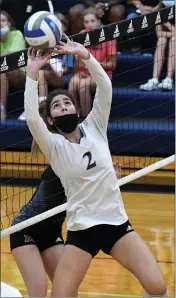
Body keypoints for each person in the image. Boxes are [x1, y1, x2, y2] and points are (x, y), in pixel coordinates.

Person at [24, 35, 167, 297]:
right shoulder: (55, 147)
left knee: (158, 287)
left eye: (67, 101)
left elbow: (105, 87)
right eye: (57, 105)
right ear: (52, 121)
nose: (64, 105)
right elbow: (32, 118)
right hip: (82, 231)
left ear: (76, 107)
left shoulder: (95, 127)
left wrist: (83, 55)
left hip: (116, 224)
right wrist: (32, 74)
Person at [10, 102, 121, 297]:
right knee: (39, 292)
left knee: (69, 293)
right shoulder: (62, 165)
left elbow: (92, 193)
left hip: (51, 233)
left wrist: (110, 180)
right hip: (25, 231)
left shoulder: (81, 164)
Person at [69, 8, 117, 117]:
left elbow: (113, 65)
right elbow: (78, 61)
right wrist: (80, 67)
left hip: (101, 74)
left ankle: (87, 118)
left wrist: (94, 64)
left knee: (82, 85)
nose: (89, 25)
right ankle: (74, 115)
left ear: (99, 22)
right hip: (83, 72)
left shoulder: (109, 36)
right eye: (86, 22)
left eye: (92, 21)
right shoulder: (82, 34)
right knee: (72, 84)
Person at [140, 2, 175, 91]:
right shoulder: (159, 14)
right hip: (164, 43)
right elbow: (159, 33)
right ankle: (155, 80)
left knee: (174, 40)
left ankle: (169, 79)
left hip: (174, 44)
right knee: (161, 40)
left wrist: (167, 24)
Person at [0, 11, 26, 121]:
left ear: (9, 24)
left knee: (3, 68)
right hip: (3, 73)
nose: (0, 23)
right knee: (2, 72)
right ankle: (2, 111)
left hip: (20, 74)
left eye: (3, 20)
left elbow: (11, 57)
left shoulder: (17, 34)